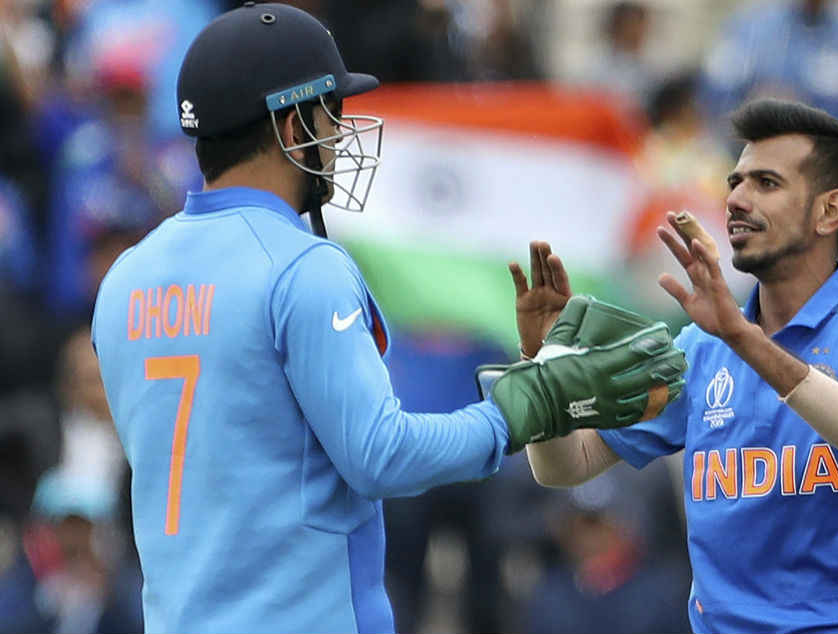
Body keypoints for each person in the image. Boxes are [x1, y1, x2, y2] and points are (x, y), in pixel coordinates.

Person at [89, 4, 686, 633]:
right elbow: (380, 455)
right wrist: (520, 409)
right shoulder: (302, 265)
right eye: (330, 113)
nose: (339, 135)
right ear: (292, 125)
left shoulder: (126, 276)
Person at [517, 99, 838, 633]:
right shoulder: (700, 347)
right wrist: (542, 367)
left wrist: (742, 338)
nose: (735, 199)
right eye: (735, 182)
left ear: (829, 211)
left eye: (766, 183)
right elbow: (566, 466)